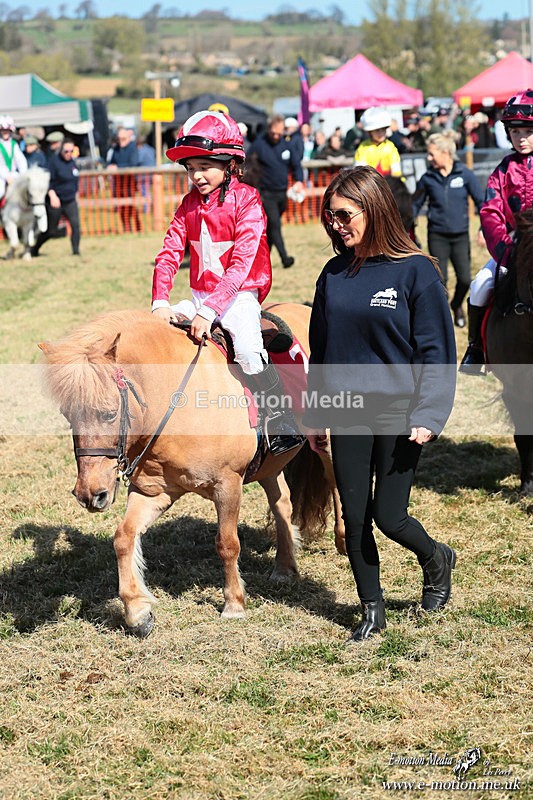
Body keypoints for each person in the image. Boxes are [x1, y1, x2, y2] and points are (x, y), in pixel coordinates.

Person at [303, 166, 457, 642]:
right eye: (329, 216)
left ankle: (437, 558)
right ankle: (372, 609)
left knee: (390, 517)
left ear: (374, 209)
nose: (336, 224)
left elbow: (436, 351)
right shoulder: (333, 274)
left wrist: (429, 413)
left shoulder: (417, 271)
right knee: (354, 518)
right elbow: (322, 351)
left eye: (344, 214)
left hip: (401, 412)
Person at [151, 110, 305, 456]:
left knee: (249, 351)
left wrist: (209, 310)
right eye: (190, 169)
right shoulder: (187, 204)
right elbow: (169, 253)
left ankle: (280, 420)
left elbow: (239, 267)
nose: (197, 176)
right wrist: (160, 302)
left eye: (204, 167)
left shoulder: (248, 200)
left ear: (230, 163)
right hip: (197, 297)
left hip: (239, 297)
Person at [460, 90, 533, 373]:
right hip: (511, 247)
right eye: (516, 132)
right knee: (479, 286)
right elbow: (490, 211)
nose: (522, 138)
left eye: (528, 131)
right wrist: (503, 249)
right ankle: (475, 349)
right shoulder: (502, 170)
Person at [413, 131, 484, 328]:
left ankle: (457, 305)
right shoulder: (427, 178)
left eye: (431, 153)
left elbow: (481, 202)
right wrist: (406, 227)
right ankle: (443, 319)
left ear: (445, 152)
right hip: (437, 236)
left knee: (465, 279)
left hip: (460, 235)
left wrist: (484, 228)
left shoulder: (465, 174)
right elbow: (415, 205)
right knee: (440, 280)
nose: (428, 157)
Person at [247, 113, 306, 269]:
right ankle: (285, 258)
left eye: (279, 133)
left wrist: (299, 181)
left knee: (271, 228)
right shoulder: (259, 145)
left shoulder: (287, 146)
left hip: (282, 193)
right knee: (275, 225)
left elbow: (296, 165)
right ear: (268, 129)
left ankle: (260, 260)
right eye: (273, 132)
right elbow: (247, 163)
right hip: (266, 194)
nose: (275, 135)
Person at [32, 137, 81, 257]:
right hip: (56, 201)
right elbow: (48, 181)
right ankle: (34, 249)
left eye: (71, 151)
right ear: (61, 150)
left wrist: (76, 195)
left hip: (70, 200)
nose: (69, 154)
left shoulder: (73, 163)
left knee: (75, 226)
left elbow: (74, 182)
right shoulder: (53, 162)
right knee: (51, 231)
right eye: (66, 151)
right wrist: (52, 195)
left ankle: (76, 252)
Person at [106, 126, 141, 233]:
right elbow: (111, 162)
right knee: (121, 207)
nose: (121, 141)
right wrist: (110, 166)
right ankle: (127, 229)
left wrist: (118, 167)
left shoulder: (132, 147)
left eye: (123, 139)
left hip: (129, 182)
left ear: (128, 138)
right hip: (118, 183)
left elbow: (133, 163)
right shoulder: (115, 148)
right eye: (119, 139)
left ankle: (138, 229)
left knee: (131, 206)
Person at [354, 108, 402, 177]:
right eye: (377, 130)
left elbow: (396, 171)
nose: (381, 133)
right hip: (370, 183)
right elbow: (360, 173)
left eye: (383, 129)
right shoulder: (363, 148)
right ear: (370, 132)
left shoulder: (390, 146)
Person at [0, 115, 27, 200]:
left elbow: (21, 160)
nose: (5, 132)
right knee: (0, 191)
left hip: (13, 173)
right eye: (3, 130)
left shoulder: (14, 144)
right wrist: (6, 176)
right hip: (1, 175)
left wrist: (23, 174)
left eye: (7, 130)